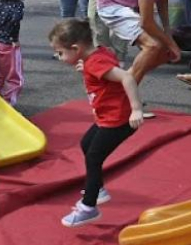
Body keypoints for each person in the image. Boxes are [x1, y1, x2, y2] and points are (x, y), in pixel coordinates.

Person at [48, 19, 143, 228]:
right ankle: (97, 188)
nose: (59, 57)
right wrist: (86, 67)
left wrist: (136, 108)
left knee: (94, 156)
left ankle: (88, 207)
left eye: (61, 53)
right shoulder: (95, 55)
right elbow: (104, 69)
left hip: (118, 120)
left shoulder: (95, 62)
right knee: (86, 144)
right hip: (107, 117)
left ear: (76, 48)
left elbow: (127, 77)